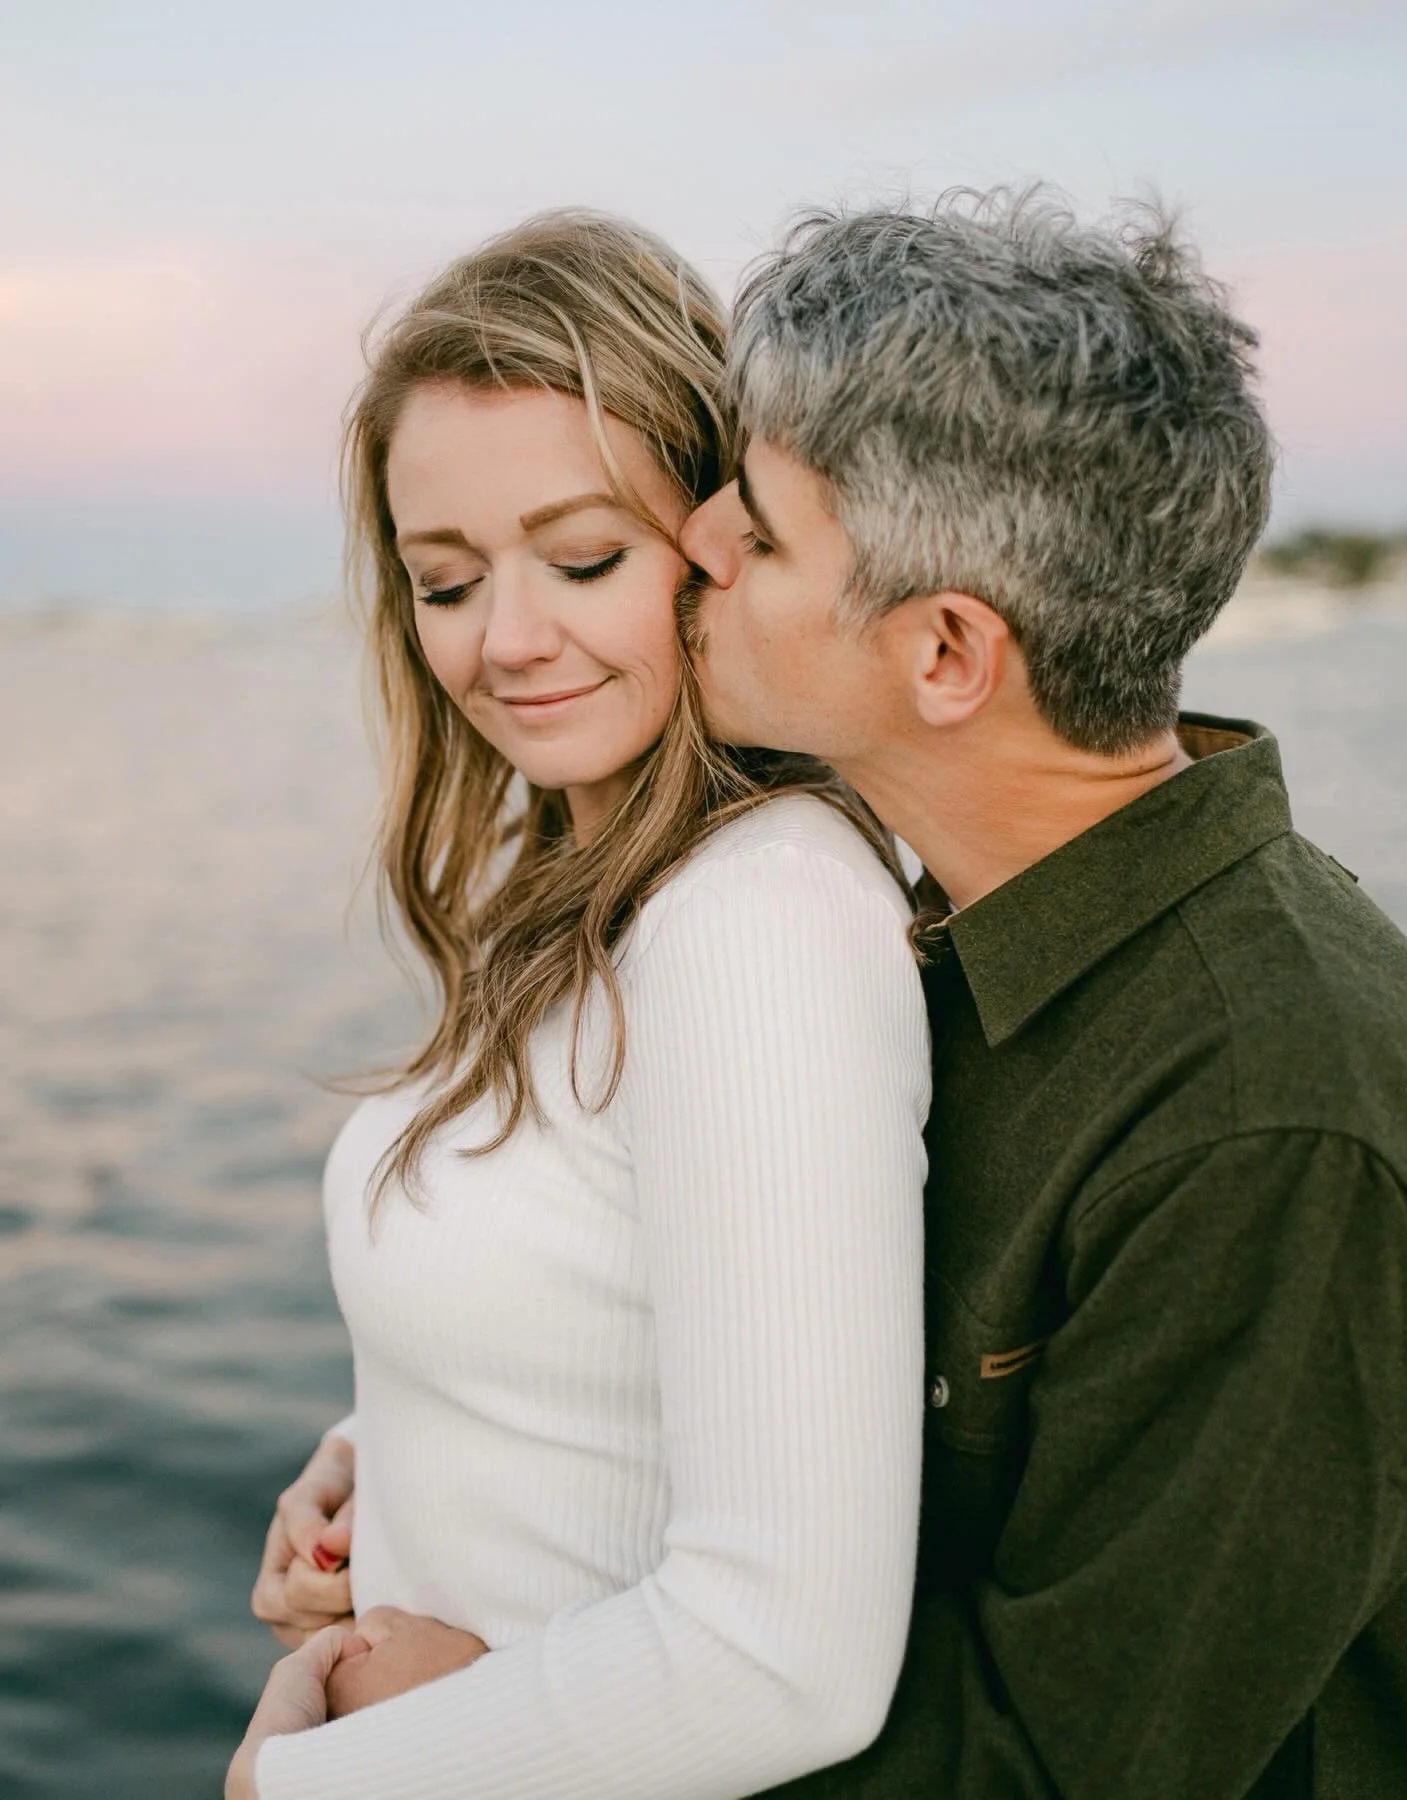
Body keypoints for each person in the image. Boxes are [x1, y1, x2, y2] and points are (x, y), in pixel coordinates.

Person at [674, 192, 1407, 1796]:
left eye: (758, 525)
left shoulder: (1268, 1121)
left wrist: (528, 1720)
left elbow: (1061, 1771)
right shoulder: (924, 942)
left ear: (948, 653)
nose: (697, 545)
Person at [227, 212, 932, 1799]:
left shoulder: (755, 927)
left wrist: (295, 1788)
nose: (511, 641)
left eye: (586, 558)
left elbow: (784, 1661)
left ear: (717, 540)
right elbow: (598, 1328)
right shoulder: (565, 881)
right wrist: (374, 1460)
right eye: (448, 580)